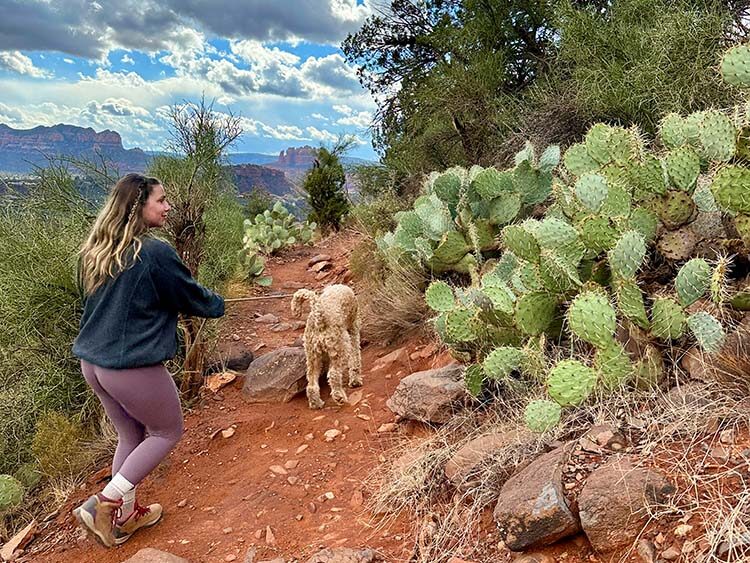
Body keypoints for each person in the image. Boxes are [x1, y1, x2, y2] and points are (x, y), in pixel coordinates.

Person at [71, 173, 225, 547]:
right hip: (128, 367)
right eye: (161, 200)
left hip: (93, 364)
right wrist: (216, 304)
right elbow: (188, 295)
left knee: (130, 434)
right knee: (166, 432)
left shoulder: (99, 249)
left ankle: (123, 517)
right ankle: (105, 503)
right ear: (139, 206)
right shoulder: (152, 252)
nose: (168, 207)